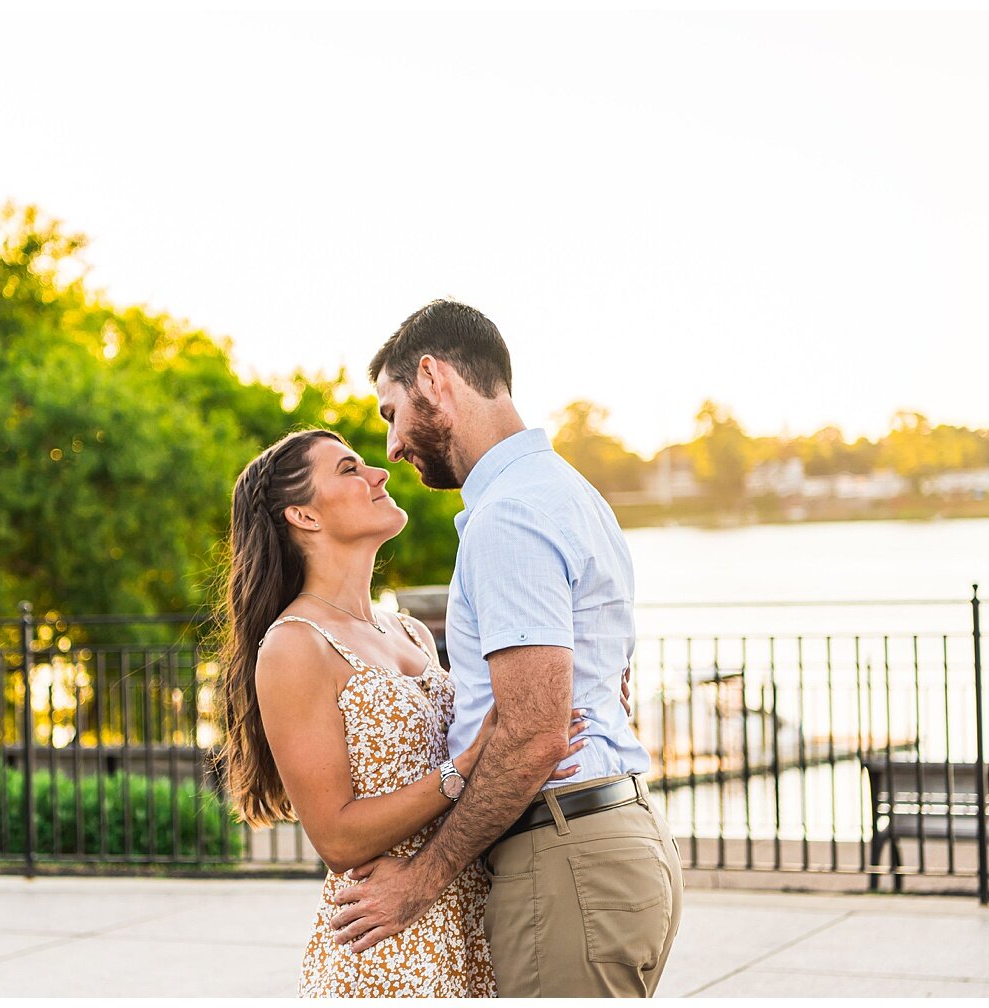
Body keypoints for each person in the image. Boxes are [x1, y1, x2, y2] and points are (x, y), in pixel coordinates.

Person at [328, 300, 683, 997]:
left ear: (432, 379)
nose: (393, 447)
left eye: (389, 412)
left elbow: (533, 737)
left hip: (567, 857)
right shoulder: (566, 492)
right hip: (606, 843)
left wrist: (420, 884)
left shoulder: (510, 515)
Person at [216, 428, 595, 997]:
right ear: (304, 516)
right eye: (348, 469)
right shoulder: (295, 645)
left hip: (474, 922)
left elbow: (497, 727)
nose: (380, 473)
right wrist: (467, 765)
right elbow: (337, 839)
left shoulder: (411, 631)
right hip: (389, 946)